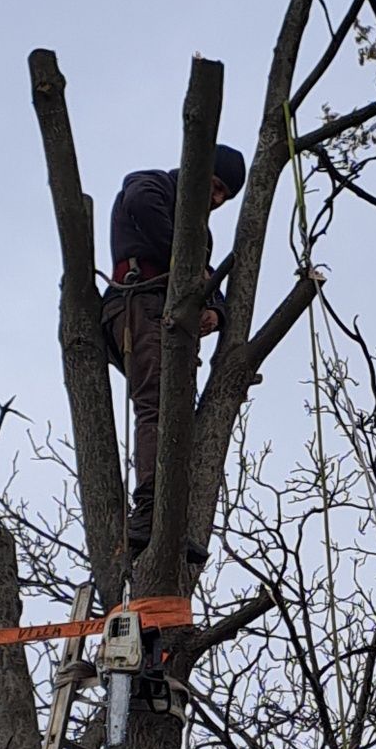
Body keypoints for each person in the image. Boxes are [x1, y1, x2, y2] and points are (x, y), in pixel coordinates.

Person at [101, 144, 247, 558]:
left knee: (176, 413)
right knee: (157, 405)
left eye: (224, 196)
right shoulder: (152, 185)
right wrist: (188, 265)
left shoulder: (200, 233)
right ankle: (148, 512)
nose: (216, 200)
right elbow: (142, 204)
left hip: (166, 320)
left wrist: (215, 311)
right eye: (215, 186)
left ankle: (169, 518)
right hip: (138, 304)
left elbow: (209, 283)